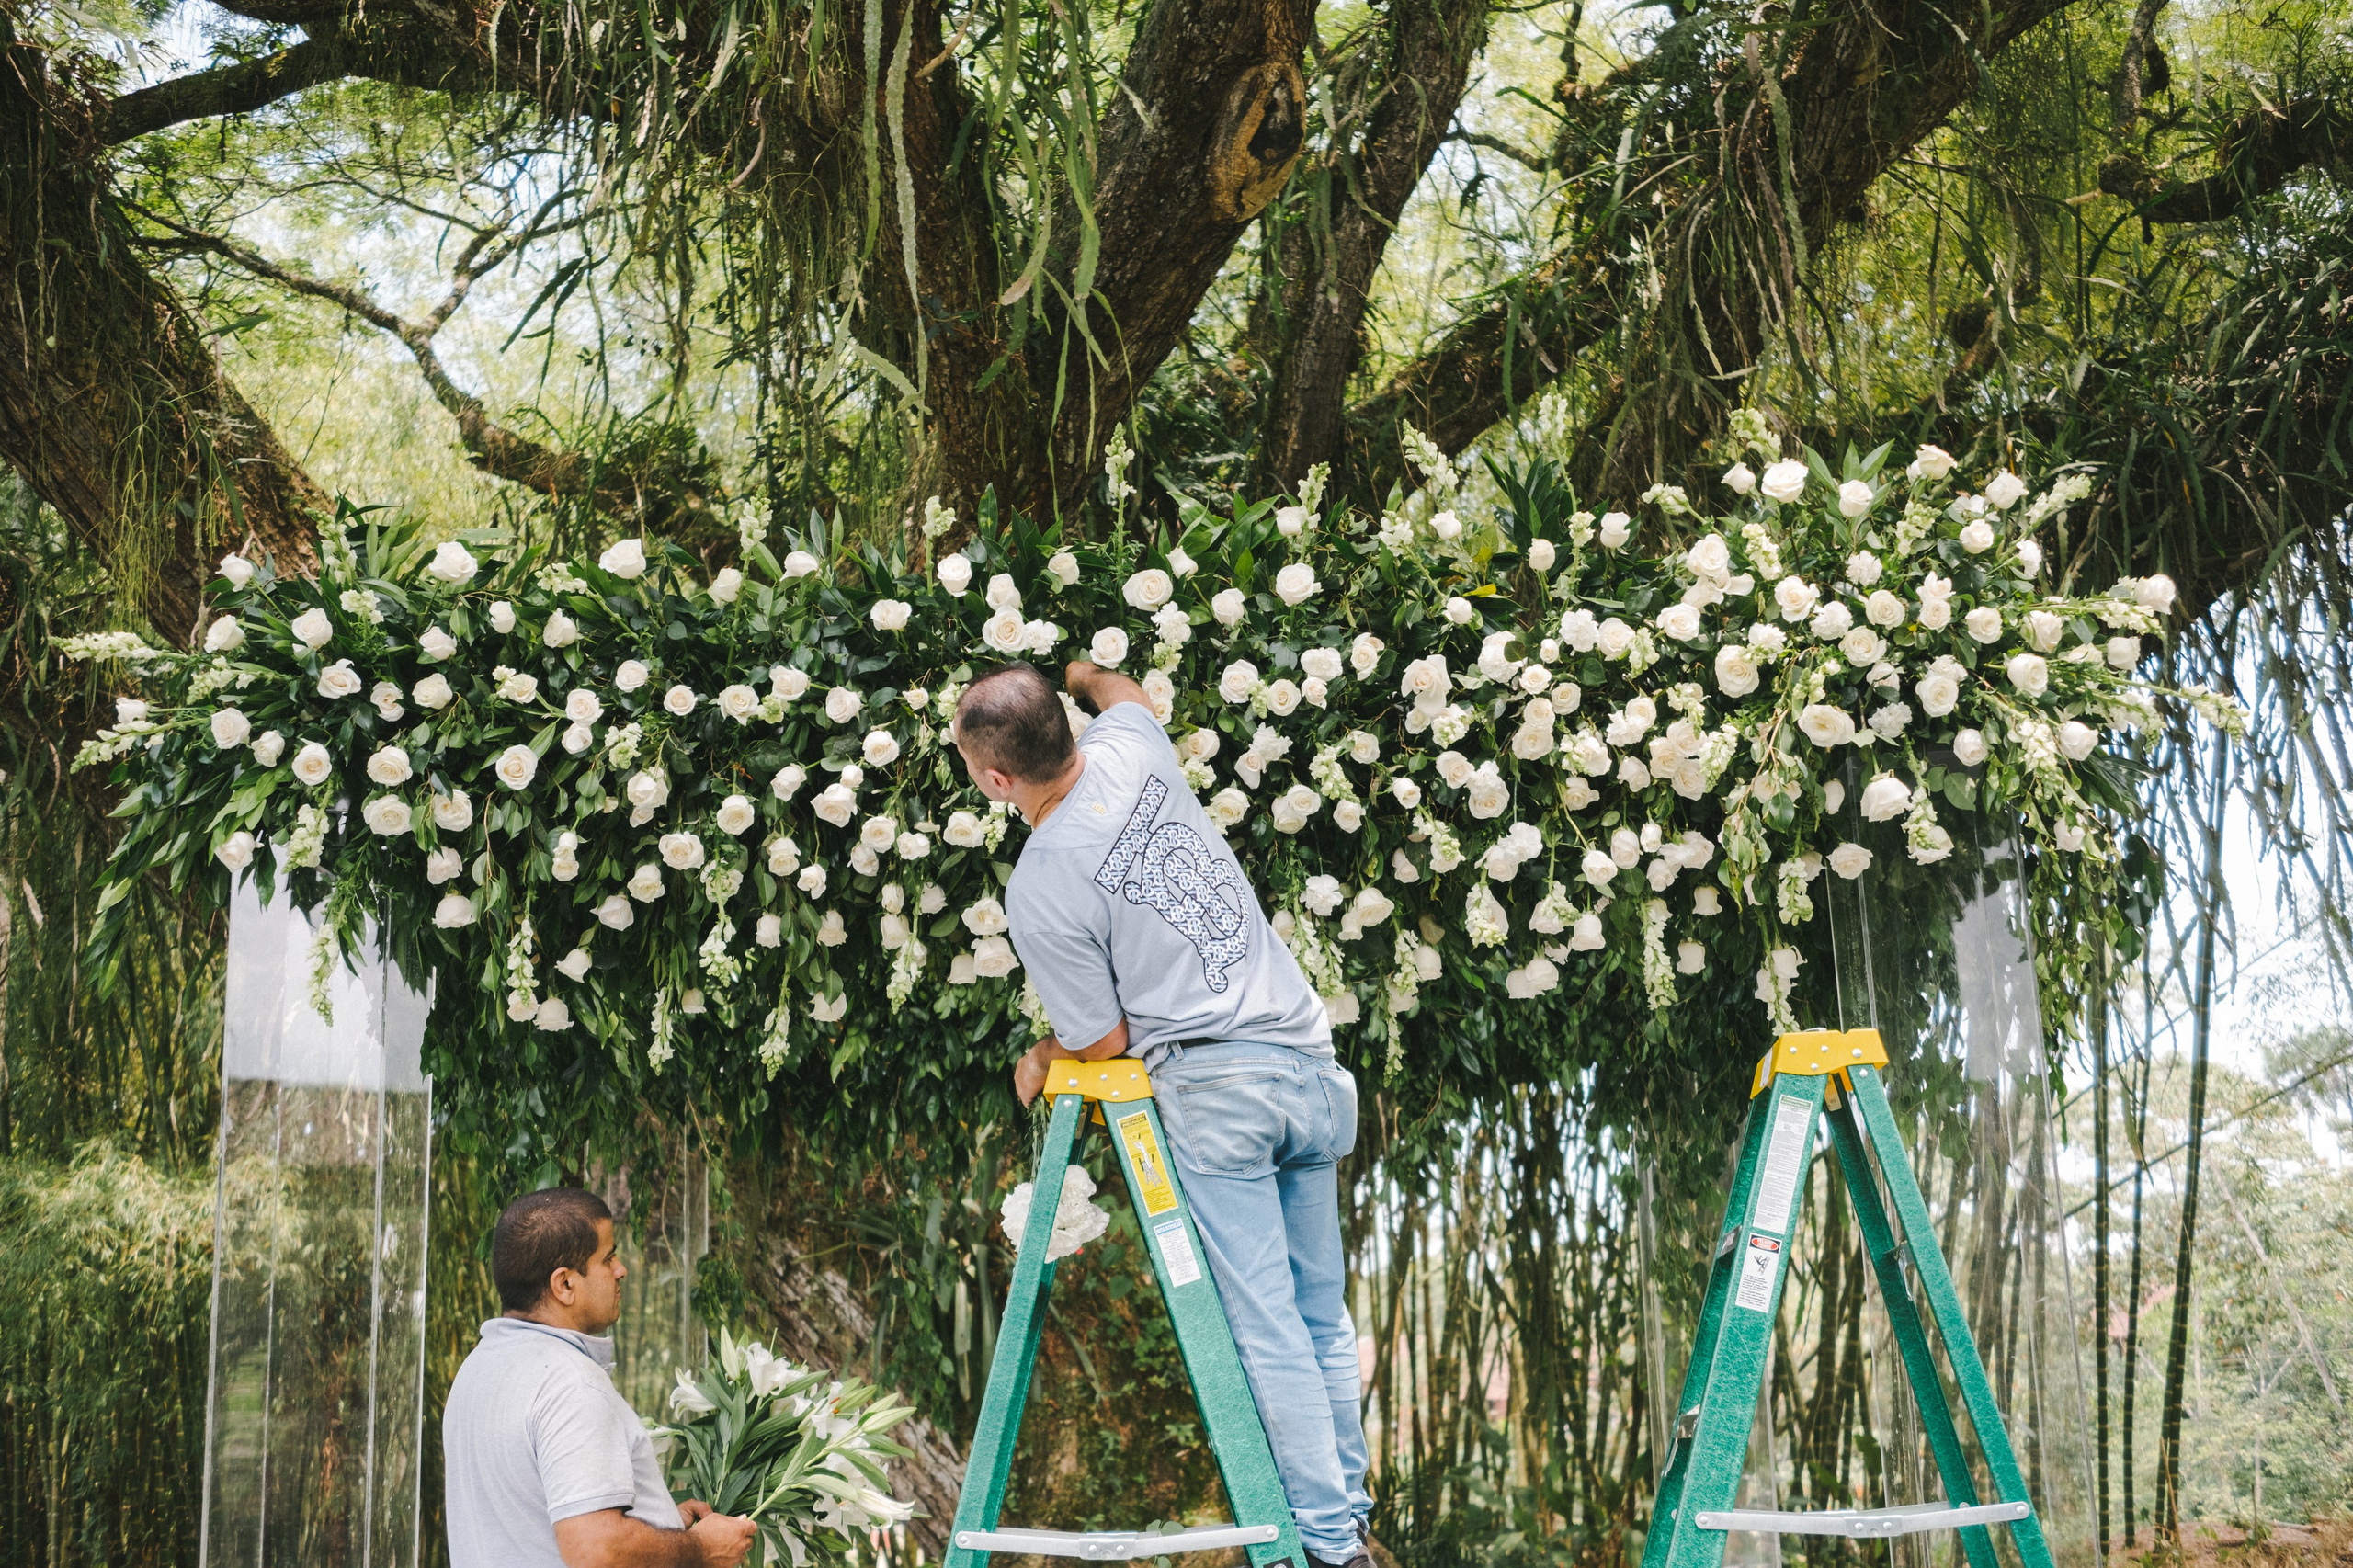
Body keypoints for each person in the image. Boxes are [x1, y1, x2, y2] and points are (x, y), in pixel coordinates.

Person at [953, 659, 1372, 1568]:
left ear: (995, 777)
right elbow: (1126, 695)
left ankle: (1330, 1549)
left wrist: (1039, 1056)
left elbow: (1102, 1041)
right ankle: (1349, 1522)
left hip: (1219, 1089)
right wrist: (1087, 670)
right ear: (1066, 727)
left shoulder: (1041, 883)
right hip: (1305, 1056)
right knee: (1319, 1317)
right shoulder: (1132, 747)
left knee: (1265, 1325)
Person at [444, 1187, 756, 1568]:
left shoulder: (477, 1371)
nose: (621, 1269)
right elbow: (597, 1552)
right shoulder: (570, 1382)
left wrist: (659, 1523)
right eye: (607, 1258)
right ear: (565, 1285)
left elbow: (530, 1522)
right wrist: (702, 1550)